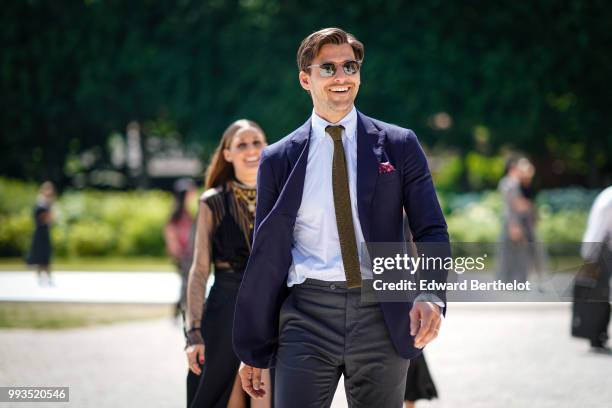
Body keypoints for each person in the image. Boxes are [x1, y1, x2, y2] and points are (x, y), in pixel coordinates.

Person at [234, 28, 449, 407]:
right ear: (306, 79)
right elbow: (265, 256)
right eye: (328, 68)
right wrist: (253, 346)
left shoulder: (399, 145)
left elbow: (430, 227)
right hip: (305, 316)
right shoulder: (278, 158)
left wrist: (430, 292)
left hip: (383, 315)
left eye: (350, 66)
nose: (341, 76)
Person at [184, 119, 271, 408]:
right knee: (226, 393)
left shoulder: (283, 195)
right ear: (227, 154)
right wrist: (193, 332)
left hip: (274, 308)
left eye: (257, 142)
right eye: (242, 144)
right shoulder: (212, 201)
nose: (251, 149)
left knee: (268, 392)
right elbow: (199, 270)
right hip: (226, 310)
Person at [573, 185, 612, 353]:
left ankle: (597, 334)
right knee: (599, 295)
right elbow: (597, 231)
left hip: (602, 251)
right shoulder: (608, 200)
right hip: (602, 252)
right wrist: (589, 256)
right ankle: (597, 334)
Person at [497, 157, 540, 283]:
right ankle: (512, 280)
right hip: (513, 222)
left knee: (514, 252)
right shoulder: (511, 183)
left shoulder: (514, 183)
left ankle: (512, 279)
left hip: (515, 222)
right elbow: (513, 205)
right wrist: (514, 225)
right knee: (513, 252)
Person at [165, 178, 197, 319]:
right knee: (186, 284)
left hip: (190, 254)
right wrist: (178, 253)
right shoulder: (177, 213)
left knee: (187, 283)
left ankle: (181, 312)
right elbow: (170, 233)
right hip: (183, 256)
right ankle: (181, 312)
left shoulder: (188, 212)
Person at [26, 181, 56, 286]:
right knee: (40, 256)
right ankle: (40, 278)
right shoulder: (41, 203)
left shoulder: (47, 203)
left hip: (45, 232)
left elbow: (51, 219)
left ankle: (48, 277)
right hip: (40, 233)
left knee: (46, 257)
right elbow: (44, 219)